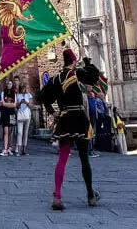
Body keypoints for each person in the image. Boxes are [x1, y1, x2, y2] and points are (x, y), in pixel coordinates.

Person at [39, 49, 101, 211]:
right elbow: (95, 75)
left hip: (65, 118)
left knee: (62, 159)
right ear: (73, 61)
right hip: (79, 118)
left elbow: (43, 98)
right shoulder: (77, 73)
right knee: (84, 159)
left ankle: (57, 197)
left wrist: (54, 114)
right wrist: (86, 58)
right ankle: (90, 195)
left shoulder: (56, 79)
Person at [0, 79, 17, 156]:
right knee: (6, 132)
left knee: (10, 132)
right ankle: (5, 149)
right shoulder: (3, 93)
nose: (9, 85)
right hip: (5, 113)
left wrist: (6, 104)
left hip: (12, 113)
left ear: (12, 85)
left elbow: (14, 105)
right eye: (8, 84)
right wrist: (8, 105)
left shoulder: (14, 94)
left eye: (10, 84)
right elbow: (2, 103)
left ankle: (10, 148)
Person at [15, 80, 33, 156]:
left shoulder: (29, 95)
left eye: (25, 88)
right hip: (20, 114)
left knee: (25, 133)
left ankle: (24, 150)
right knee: (19, 132)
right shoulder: (17, 95)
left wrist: (27, 103)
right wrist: (20, 103)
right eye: (22, 88)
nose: (24, 89)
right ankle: (18, 150)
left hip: (27, 114)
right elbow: (16, 106)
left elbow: (31, 106)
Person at [86, 86, 100, 158]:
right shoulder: (85, 96)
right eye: (90, 87)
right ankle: (89, 151)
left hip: (93, 116)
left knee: (92, 134)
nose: (91, 88)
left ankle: (92, 149)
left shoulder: (92, 96)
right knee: (89, 134)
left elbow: (94, 107)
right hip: (88, 117)